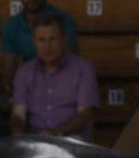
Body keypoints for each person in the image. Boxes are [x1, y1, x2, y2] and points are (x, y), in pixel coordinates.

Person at [9, 13, 99, 141]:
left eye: (53, 39)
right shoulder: (24, 71)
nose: (47, 47)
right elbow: (18, 114)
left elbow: (84, 116)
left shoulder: (83, 69)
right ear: (34, 41)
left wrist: (53, 134)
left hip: (71, 140)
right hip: (34, 140)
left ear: (63, 39)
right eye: (41, 40)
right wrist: (17, 135)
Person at [0, 0, 79, 99]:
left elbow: (72, 66)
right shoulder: (11, 26)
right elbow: (9, 74)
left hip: (62, 89)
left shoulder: (64, 21)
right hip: (28, 90)